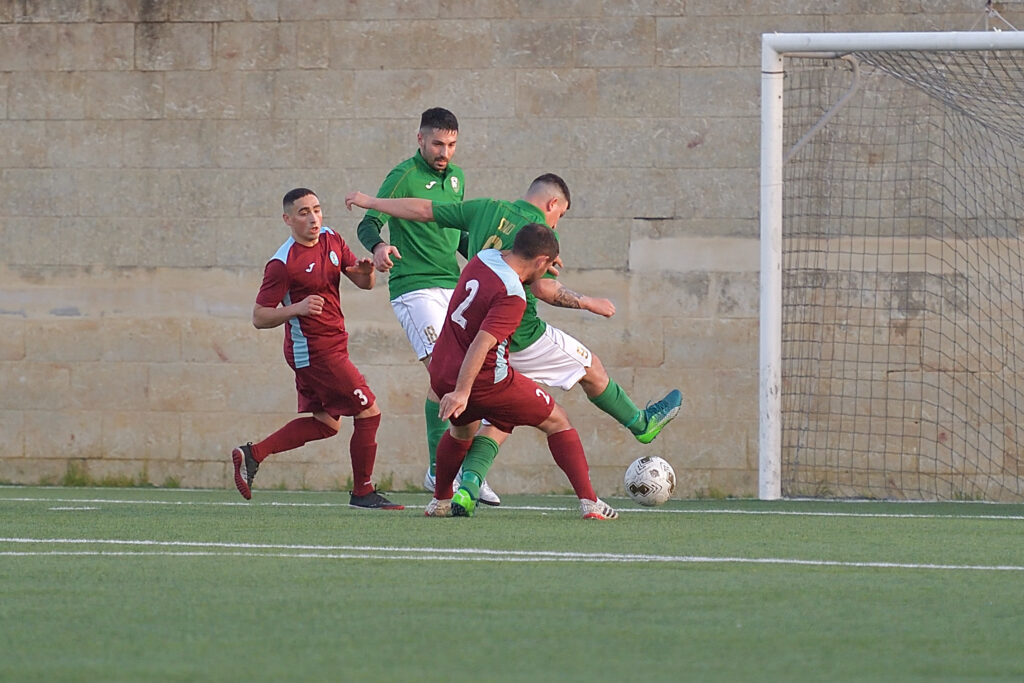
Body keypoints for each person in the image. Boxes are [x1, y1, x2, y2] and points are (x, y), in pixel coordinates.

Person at [344, 174, 682, 511]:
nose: (556, 222)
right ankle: (638, 427)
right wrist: (587, 301)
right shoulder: (530, 255)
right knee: (587, 374)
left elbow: (422, 209)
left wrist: (373, 202)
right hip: (518, 338)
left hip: (472, 347)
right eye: (560, 215)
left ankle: (462, 484)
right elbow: (540, 289)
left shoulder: (484, 219)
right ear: (553, 205)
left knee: (496, 419)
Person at [422, 223, 619, 519]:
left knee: (461, 430)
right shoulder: (513, 297)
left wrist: (457, 389)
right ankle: (591, 503)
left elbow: (506, 275)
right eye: (547, 264)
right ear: (541, 261)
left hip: (442, 369)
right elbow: (482, 343)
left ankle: (440, 501)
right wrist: (463, 391)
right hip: (486, 381)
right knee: (557, 420)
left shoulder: (484, 257)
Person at [354, 107, 500, 506]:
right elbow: (368, 222)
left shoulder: (457, 178)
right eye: (437, 143)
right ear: (420, 140)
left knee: (470, 379)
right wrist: (380, 246)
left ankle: (459, 471)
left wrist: (497, 261)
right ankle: (442, 472)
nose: (444, 151)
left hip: (452, 288)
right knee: (448, 376)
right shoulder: (403, 176)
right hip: (413, 288)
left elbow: (456, 236)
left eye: (451, 144)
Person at [230, 188, 403, 510]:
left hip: (332, 345)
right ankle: (363, 492)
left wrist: (366, 274)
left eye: (317, 209)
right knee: (369, 411)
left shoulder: (332, 239)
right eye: (303, 212)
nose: (313, 218)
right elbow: (259, 316)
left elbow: (363, 283)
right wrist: (295, 308)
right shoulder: (282, 264)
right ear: (287, 219)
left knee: (327, 424)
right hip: (314, 351)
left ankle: (252, 455)